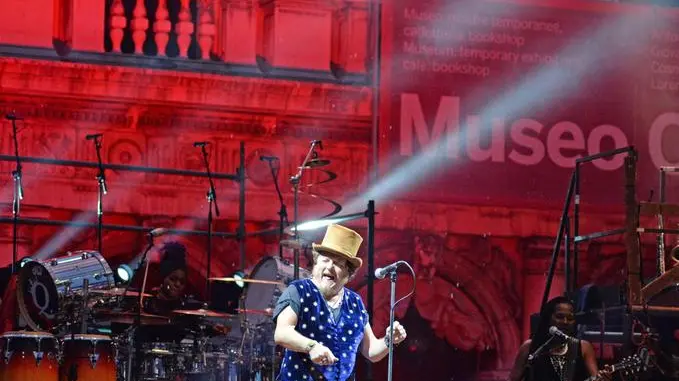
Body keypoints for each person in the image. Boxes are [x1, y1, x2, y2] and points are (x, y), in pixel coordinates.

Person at [273, 224, 407, 381]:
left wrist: (389, 340)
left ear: (348, 274)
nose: (330, 266)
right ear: (316, 263)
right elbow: (281, 333)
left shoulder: (355, 302)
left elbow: (371, 351)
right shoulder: (299, 290)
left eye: (338, 263)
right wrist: (311, 346)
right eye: (325, 260)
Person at [508, 296, 609, 381]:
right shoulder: (530, 347)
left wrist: (603, 378)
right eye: (560, 317)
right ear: (548, 318)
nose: (565, 322)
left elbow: (595, 377)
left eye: (570, 318)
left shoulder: (583, 347)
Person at [144, 241, 189, 316]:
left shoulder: (184, 306)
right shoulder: (148, 300)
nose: (177, 284)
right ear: (163, 278)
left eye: (182, 282)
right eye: (172, 279)